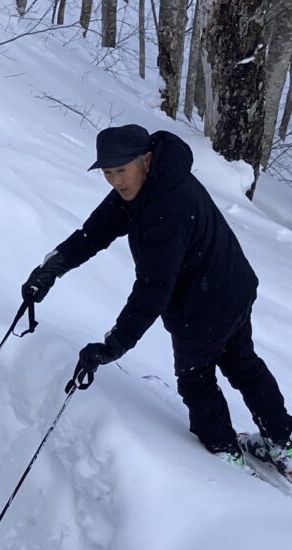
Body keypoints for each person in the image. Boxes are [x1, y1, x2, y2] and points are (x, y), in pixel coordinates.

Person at [21, 123, 292, 471]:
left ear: (145, 160)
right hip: (232, 287)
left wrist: (113, 345)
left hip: (205, 304)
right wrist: (53, 267)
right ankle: (283, 441)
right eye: (108, 172)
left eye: (121, 170)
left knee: (196, 379)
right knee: (244, 365)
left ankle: (225, 452)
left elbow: (152, 290)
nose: (116, 181)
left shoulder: (166, 209)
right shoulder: (150, 183)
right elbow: (94, 232)